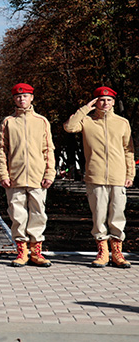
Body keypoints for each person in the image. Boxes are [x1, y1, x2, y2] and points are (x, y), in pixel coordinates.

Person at [63, 86, 134, 268]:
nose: (105, 103)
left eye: (109, 100)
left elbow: (128, 150)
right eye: (101, 100)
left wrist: (130, 173)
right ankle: (102, 250)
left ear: (113, 102)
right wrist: (86, 108)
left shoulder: (122, 123)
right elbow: (69, 127)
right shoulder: (87, 122)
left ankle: (117, 251)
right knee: (99, 215)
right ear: (95, 102)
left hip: (118, 176)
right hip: (95, 176)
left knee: (118, 214)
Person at [0, 83, 55, 267]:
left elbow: (48, 149)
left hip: (38, 176)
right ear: (14, 99)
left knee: (38, 213)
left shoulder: (42, 121)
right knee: (17, 214)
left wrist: (50, 173)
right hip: (15, 177)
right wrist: (3, 174)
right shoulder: (8, 122)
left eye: (26, 96)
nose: (22, 99)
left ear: (32, 98)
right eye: (18, 97)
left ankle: (36, 252)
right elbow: (1, 150)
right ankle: (21, 251)